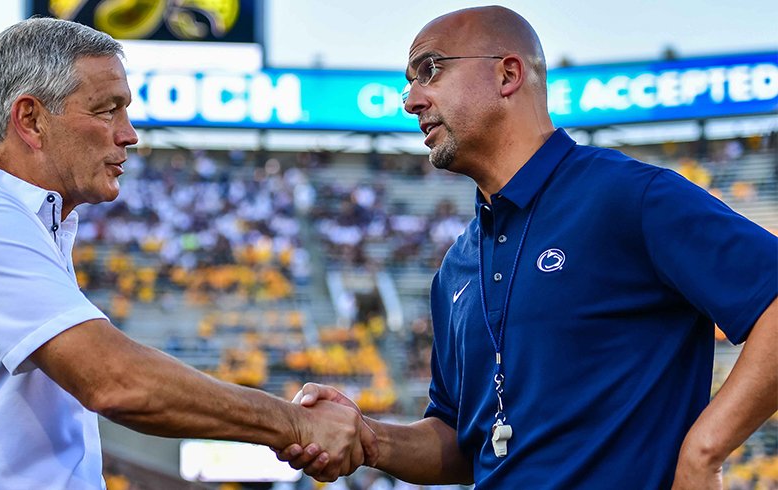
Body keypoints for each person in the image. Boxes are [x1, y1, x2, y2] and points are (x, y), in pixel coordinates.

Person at [277, 6, 777, 489]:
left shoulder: (630, 196)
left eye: (428, 70)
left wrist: (704, 450)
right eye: (409, 83)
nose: (410, 101)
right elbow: (459, 440)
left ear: (508, 74)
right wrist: (368, 437)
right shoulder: (456, 266)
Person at [0, 18, 374, 489]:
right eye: (105, 109)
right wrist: (293, 423)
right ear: (30, 119)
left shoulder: (21, 221)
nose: (128, 133)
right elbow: (116, 380)